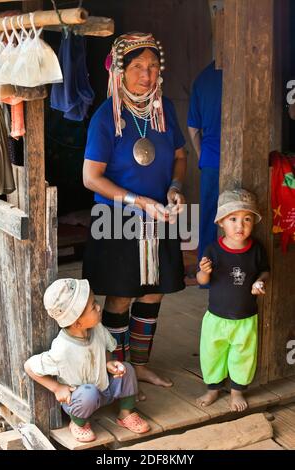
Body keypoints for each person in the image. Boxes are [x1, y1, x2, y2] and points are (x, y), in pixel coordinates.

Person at [82, 32, 187, 392]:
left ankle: (139, 366)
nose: (147, 74)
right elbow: (91, 178)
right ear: (120, 71)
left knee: (152, 292)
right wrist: (136, 201)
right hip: (117, 218)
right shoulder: (105, 117)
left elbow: (178, 156)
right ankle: (118, 372)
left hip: (160, 215)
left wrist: (175, 187)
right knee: (120, 293)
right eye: (138, 66)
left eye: (153, 66)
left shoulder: (165, 109)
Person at [24, 278, 150, 443]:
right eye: (93, 307)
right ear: (77, 322)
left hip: (104, 390)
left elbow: (105, 348)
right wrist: (57, 388)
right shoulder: (62, 348)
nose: (98, 307)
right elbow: (29, 366)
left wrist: (109, 363)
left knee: (127, 369)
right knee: (88, 392)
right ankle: (78, 423)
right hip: (80, 398)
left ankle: (125, 414)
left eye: (95, 302)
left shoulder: (97, 328)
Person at [196, 189, 270, 412]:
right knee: (212, 353)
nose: (240, 225)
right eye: (233, 219)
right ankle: (213, 389)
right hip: (216, 317)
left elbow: (265, 271)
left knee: (243, 355)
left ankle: (237, 391)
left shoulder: (256, 249)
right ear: (221, 222)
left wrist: (260, 281)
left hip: (245, 319)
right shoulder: (213, 250)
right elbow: (202, 280)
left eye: (247, 219)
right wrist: (204, 271)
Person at [187, 61, 223, 265]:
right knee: (242, 216)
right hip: (247, 156)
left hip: (211, 158)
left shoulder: (203, 78)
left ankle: (206, 272)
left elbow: (193, 127)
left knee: (209, 215)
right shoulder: (248, 68)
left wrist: (202, 154)